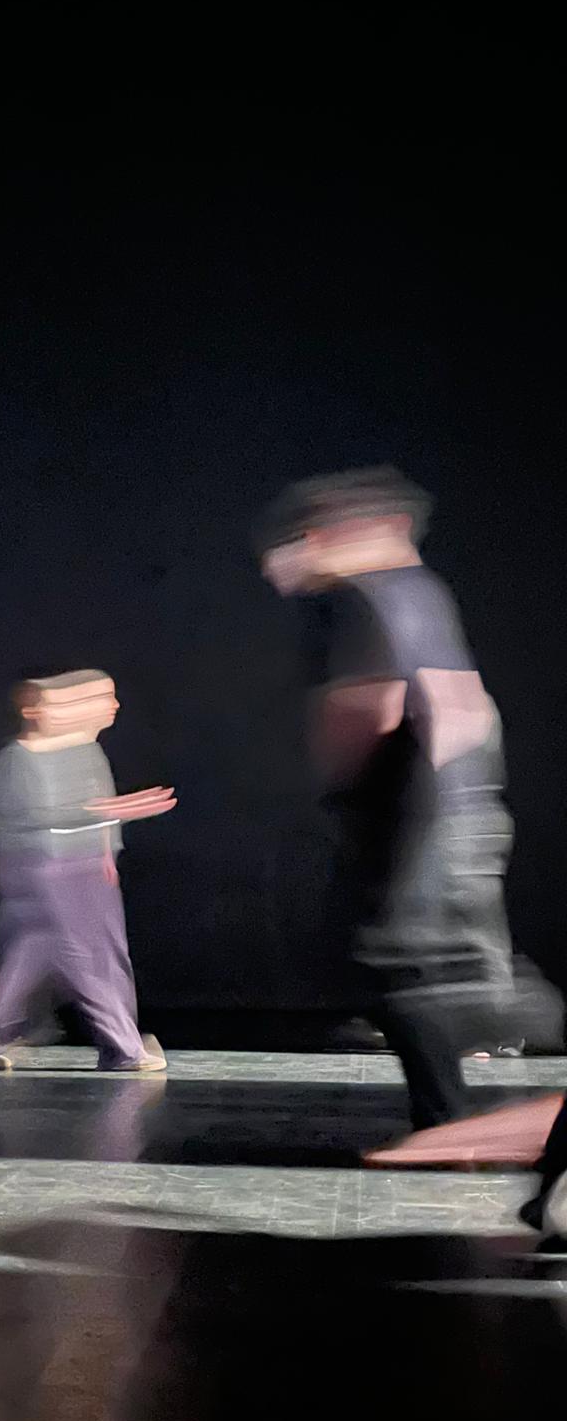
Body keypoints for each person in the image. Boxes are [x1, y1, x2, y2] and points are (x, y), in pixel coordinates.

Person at [260, 465, 528, 1134]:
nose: (304, 549)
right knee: (425, 965)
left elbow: (372, 705)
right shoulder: (420, 591)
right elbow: (467, 707)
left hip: (416, 812)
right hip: (453, 807)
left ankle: (448, 1121)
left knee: (397, 962)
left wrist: (350, 785)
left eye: (316, 534)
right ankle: (449, 1114)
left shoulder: (368, 596)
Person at [0, 670, 176, 1072]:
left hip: (85, 869)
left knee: (45, 952)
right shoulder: (15, 759)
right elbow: (38, 817)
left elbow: (99, 807)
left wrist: (107, 851)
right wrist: (108, 811)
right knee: (81, 957)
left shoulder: (87, 752)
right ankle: (123, 1048)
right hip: (44, 869)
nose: (112, 706)